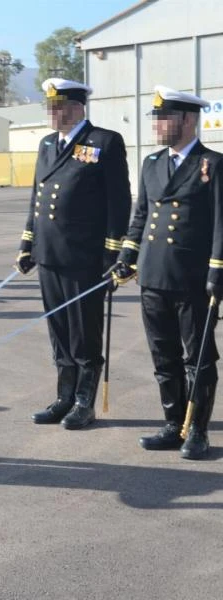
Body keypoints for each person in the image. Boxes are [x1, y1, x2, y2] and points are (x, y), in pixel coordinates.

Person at [113, 86, 223, 460]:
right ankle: (173, 423)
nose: (157, 125)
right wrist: (127, 256)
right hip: (154, 277)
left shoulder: (214, 164)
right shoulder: (152, 163)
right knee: (164, 356)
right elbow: (141, 215)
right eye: (156, 118)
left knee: (199, 358)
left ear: (188, 120)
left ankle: (198, 430)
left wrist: (218, 270)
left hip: (193, 279)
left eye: (164, 118)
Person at [15, 78, 132, 430]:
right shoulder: (47, 144)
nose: (53, 113)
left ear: (78, 107)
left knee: (84, 333)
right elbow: (37, 197)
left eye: (59, 106)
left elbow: (118, 202)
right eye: (50, 107)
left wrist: (114, 255)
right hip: (49, 255)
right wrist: (27, 243)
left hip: (84, 257)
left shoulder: (104, 142)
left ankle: (84, 401)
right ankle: (63, 397)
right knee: (59, 331)